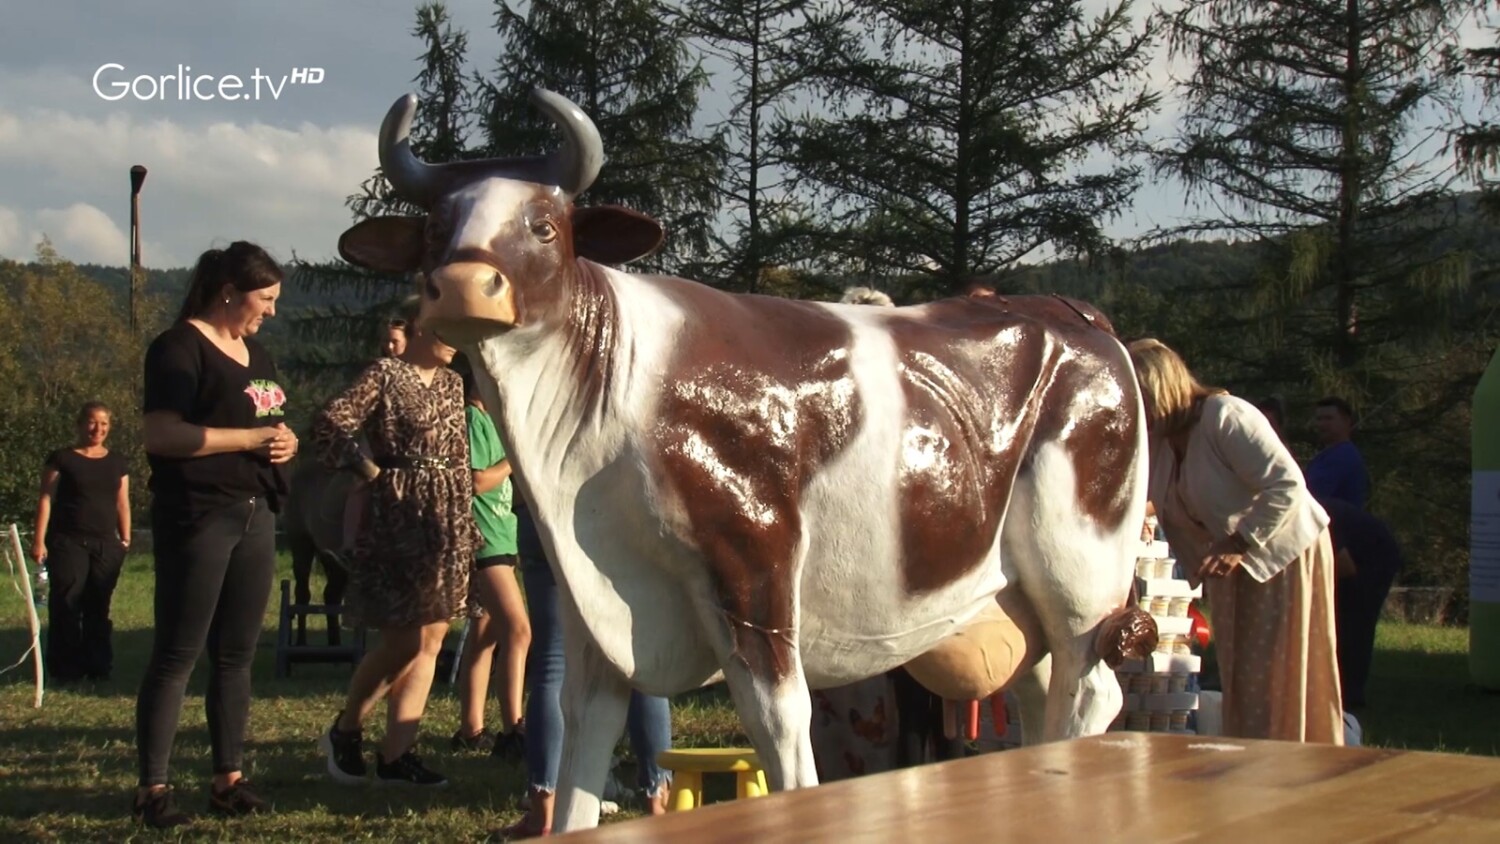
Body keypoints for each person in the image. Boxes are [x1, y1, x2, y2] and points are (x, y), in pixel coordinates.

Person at [135, 241, 295, 828]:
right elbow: (162, 435)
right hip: (199, 514)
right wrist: (251, 440)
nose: (272, 311)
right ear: (230, 291)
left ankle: (228, 779)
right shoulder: (178, 349)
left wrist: (285, 440)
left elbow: (268, 420)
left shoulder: (255, 353)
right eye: (266, 298)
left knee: (236, 655)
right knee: (178, 654)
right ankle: (152, 788)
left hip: (256, 513)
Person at [1128, 338, 1342, 744]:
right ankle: (1252, 755)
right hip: (1228, 563)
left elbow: (1286, 484)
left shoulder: (1225, 416)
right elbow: (1161, 497)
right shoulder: (1161, 444)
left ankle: (1296, 756)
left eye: (1141, 399)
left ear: (1161, 388)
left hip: (1281, 556)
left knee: (1279, 671)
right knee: (1242, 672)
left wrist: (1239, 543)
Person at [315, 302, 479, 788]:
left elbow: (459, 456)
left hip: (446, 516)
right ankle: (346, 730)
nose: (457, 340)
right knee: (403, 638)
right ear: (423, 327)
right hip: (398, 513)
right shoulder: (385, 374)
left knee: (432, 640)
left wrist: (467, 524)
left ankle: (397, 754)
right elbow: (331, 422)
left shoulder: (453, 384)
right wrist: (367, 470)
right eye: (450, 330)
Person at [498, 492, 671, 838]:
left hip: (544, 508)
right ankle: (658, 805)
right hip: (617, 509)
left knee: (551, 664)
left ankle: (543, 811)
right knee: (640, 660)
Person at [451, 363, 531, 757]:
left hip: (503, 536)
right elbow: (478, 480)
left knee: (486, 637)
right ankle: (514, 727)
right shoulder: (472, 418)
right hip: (484, 542)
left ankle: (471, 728)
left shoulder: (495, 422)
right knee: (519, 631)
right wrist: (516, 457)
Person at [31, 401, 130, 683]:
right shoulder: (62, 458)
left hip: (105, 544)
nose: (97, 429)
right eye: (91, 422)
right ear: (79, 424)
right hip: (68, 542)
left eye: (104, 424)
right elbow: (46, 499)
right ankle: (65, 669)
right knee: (67, 602)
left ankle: (98, 667)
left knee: (98, 605)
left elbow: (122, 503)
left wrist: (125, 538)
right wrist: (39, 540)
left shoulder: (117, 462)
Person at [1321, 497, 1404, 709]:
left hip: (1373, 557)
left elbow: (1345, 567)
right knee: (1337, 621)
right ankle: (1331, 688)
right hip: (1351, 554)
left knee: (1354, 623)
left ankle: (1349, 697)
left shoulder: (1316, 518)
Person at [1306, 396, 1370, 509]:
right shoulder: (1326, 455)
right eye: (1319, 419)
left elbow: (1310, 496)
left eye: (1328, 418)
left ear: (1346, 421)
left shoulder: (1343, 456)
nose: (1321, 424)